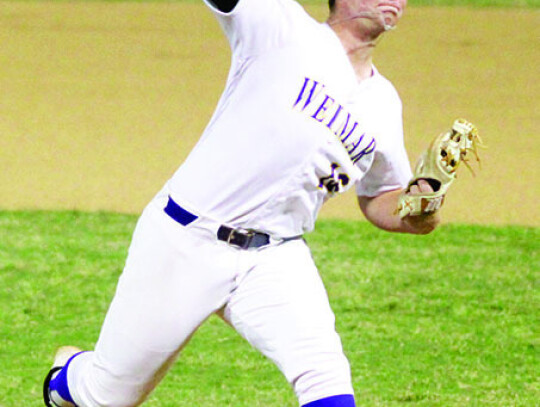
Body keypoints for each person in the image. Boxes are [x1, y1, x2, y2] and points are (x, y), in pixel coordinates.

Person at [43, 0, 440, 406]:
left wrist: (420, 207)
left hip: (274, 258)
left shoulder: (384, 103)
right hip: (186, 240)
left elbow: (379, 196)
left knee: (326, 379)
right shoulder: (279, 26)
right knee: (104, 397)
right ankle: (70, 376)